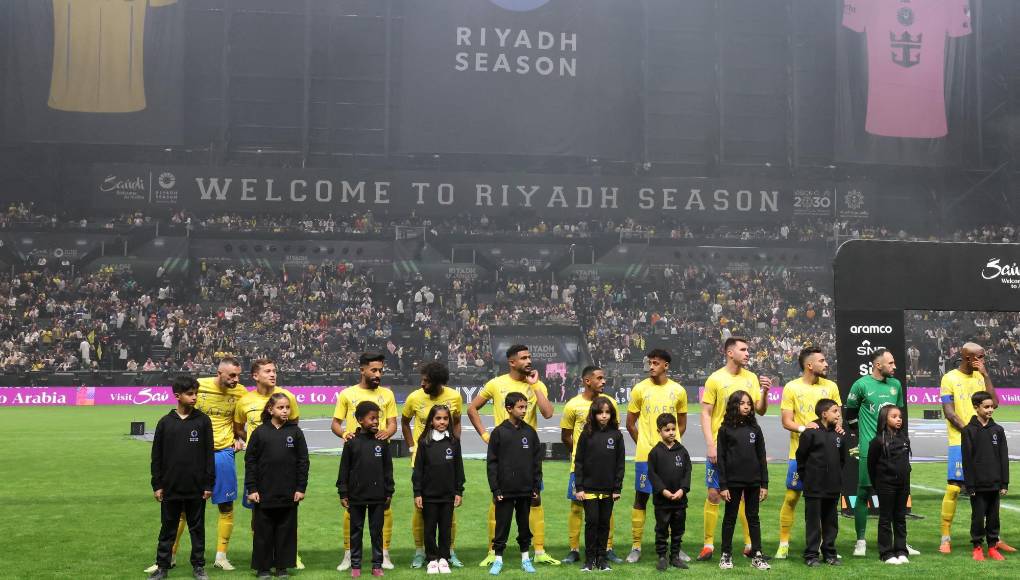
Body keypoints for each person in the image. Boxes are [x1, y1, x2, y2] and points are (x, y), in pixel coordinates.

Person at [467, 345, 557, 567]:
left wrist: (535, 386)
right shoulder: (496, 384)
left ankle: (539, 551)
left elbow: (548, 413)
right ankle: (492, 551)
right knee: (497, 499)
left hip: (528, 452)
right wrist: (486, 436)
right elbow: (472, 409)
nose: (529, 361)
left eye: (530, 357)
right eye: (524, 358)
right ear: (512, 362)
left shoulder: (537, 384)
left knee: (535, 498)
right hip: (504, 450)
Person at [699, 337, 771, 561]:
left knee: (744, 496)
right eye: (743, 349)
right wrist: (711, 444)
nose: (748, 353)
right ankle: (709, 545)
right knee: (714, 494)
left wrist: (765, 392)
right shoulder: (715, 379)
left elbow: (760, 411)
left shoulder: (750, 378)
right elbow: (706, 413)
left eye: (748, 349)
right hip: (722, 445)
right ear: (730, 353)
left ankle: (750, 545)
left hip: (744, 448)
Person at [938, 343, 1012, 554]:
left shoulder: (981, 377)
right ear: (967, 357)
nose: (983, 360)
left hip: (984, 440)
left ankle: (994, 539)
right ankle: (945, 537)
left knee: (990, 489)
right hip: (959, 439)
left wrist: (986, 375)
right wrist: (972, 432)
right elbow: (950, 413)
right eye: (980, 357)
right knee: (953, 487)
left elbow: (995, 403)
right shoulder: (949, 378)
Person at [333, 353, 399, 571]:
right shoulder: (347, 394)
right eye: (374, 370)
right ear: (362, 369)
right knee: (352, 512)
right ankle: (348, 555)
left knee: (382, 512)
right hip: (356, 453)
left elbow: (392, 424)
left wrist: (385, 433)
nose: (378, 374)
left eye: (381, 370)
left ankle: (384, 555)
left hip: (378, 454)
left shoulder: (387, 394)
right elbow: (336, 423)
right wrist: (345, 434)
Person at [775, 347, 842, 559]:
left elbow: (837, 416)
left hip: (826, 455)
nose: (826, 364)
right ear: (809, 365)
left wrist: (838, 428)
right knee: (793, 496)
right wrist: (808, 429)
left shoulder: (831, 386)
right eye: (822, 361)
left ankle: (824, 546)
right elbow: (787, 421)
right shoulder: (791, 387)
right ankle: (784, 542)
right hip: (800, 453)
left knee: (825, 502)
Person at [624, 349, 688, 563]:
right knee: (641, 498)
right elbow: (630, 423)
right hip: (645, 455)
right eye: (650, 363)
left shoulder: (678, 391)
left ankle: (675, 549)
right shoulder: (640, 389)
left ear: (666, 366)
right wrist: (646, 446)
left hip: (671, 457)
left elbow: (681, 424)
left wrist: (670, 447)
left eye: (655, 363)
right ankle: (636, 546)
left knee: (673, 502)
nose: (651, 366)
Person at [148, 376, 214, 580]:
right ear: (177, 396)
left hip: (196, 487)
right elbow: (156, 456)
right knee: (168, 528)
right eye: (190, 394)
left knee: (197, 529)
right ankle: (162, 566)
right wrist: (157, 484)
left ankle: (199, 566)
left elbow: (208, 455)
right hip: (171, 487)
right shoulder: (165, 423)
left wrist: (208, 483)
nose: (194, 397)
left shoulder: (203, 421)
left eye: (196, 393)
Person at [845, 349, 909, 558]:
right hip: (870, 449)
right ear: (878, 365)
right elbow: (851, 415)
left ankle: (901, 544)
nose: (894, 367)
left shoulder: (896, 385)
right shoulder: (861, 385)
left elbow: (896, 416)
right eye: (891, 363)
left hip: (894, 450)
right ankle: (861, 541)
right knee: (863, 493)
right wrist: (863, 437)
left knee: (899, 496)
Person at [401, 362, 464, 569]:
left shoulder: (454, 397)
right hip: (423, 459)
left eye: (426, 381)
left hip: (445, 458)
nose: (422, 383)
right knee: (421, 510)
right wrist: (412, 447)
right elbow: (404, 421)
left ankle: (449, 552)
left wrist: (453, 446)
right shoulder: (414, 397)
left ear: (438, 382)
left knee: (448, 511)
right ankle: (421, 552)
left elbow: (456, 421)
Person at [560, 365, 622, 565]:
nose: (604, 381)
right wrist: (583, 456)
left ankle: (607, 548)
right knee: (577, 508)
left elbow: (613, 433)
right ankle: (574, 549)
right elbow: (566, 436)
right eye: (600, 378)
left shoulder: (610, 403)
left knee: (606, 509)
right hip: (580, 469)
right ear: (587, 381)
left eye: (604, 378)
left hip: (604, 471)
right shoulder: (572, 405)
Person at [245, 394, 309, 579]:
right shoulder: (260, 433)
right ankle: (263, 568)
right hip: (264, 492)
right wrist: (252, 488)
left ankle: (282, 567)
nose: (285, 411)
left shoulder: (295, 432)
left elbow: (303, 462)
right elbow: (251, 461)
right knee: (263, 532)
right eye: (280, 407)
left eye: (287, 407)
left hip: (289, 492)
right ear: (270, 410)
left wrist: (300, 488)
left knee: (286, 531)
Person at [195, 358, 248, 572]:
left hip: (224, 452)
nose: (236, 380)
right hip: (196, 454)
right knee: (183, 506)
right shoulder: (199, 386)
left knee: (226, 505)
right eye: (231, 375)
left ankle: (221, 556)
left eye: (238, 375)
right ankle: (167, 557)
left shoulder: (241, 392)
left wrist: (239, 437)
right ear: (219, 372)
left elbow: (242, 422)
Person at [486, 392, 543, 575]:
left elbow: (537, 462)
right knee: (502, 526)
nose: (524, 410)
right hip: (505, 491)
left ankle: (526, 559)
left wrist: (535, 487)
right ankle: (498, 560)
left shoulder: (530, 432)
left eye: (525, 407)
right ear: (509, 408)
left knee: (524, 526)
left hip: (526, 490)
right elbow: (492, 463)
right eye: (520, 407)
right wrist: (495, 489)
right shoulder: (498, 433)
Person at [337, 401, 395, 578]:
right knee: (356, 531)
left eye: (377, 418)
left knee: (376, 532)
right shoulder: (351, 442)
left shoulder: (382, 442)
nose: (376, 422)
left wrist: (389, 491)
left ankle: (377, 565)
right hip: (356, 496)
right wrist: (343, 492)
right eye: (372, 418)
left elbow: (388, 469)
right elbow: (344, 469)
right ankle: (355, 565)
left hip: (378, 496)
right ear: (360, 420)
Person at [716, 391, 770, 571]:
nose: (746, 406)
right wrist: (723, 485)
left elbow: (761, 456)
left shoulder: (755, 429)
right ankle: (726, 554)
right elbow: (721, 458)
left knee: (753, 518)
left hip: (754, 481)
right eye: (742, 403)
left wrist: (764, 484)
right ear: (734, 405)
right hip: (732, 482)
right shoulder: (725, 429)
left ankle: (757, 555)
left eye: (748, 403)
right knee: (729, 518)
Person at [572, 396, 626, 572]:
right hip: (588, 489)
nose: (604, 416)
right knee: (592, 522)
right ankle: (589, 560)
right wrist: (579, 487)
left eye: (607, 412)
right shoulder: (586, 434)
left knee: (604, 524)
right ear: (594, 414)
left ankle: (602, 559)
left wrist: (617, 488)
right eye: (600, 412)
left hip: (609, 490)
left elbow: (620, 464)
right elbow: (578, 461)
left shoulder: (616, 435)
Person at [411, 405, 465, 575]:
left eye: (445, 419)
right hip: (429, 495)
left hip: (448, 495)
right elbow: (418, 470)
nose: (442, 422)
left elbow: (459, 469)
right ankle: (432, 559)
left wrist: (458, 491)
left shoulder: (454, 442)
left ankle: (443, 558)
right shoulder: (424, 442)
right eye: (438, 418)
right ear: (431, 421)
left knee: (445, 528)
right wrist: (418, 492)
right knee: (429, 529)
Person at [796, 399, 846, 567]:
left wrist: (836, 476)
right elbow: (801, 457)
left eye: (838, 411)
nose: (838, 414)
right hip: (814, 485)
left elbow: (842, 460)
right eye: (835, 411)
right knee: (813, 522)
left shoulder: (839, 434)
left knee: (831, 522)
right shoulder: (810, 432)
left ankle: (830, 554)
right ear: (824, 414)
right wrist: (807, 478)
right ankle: (811, 555)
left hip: (832, 485)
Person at [962, 391, 1009, 562]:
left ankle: (992, 546)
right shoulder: (968, 431)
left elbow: (1004, 458)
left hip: (995, 484)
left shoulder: (998, 430)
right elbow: (967, 460)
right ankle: (977, 546)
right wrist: (970, 485)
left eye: (992, 407)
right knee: (977, 517)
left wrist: (1004, 483)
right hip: (978, 485)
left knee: (994, 518)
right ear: (976, 407)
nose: (990, 410)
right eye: (986, 407)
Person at [647, 413, 691, 572]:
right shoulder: (655, 453)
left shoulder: (682, 451)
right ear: (660, 431)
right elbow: (653, 475)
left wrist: (682, 490)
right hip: (662, 501)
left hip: (679, 500)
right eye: (667, 430)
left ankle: (675, 556)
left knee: (678, 530)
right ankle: (661, 557)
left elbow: (687, 472)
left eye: (673, 429)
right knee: (661, 529)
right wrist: (663, 491)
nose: (671, 432)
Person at [867, 404, 911, 565]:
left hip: (903, 485)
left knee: (900, 517)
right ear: (884, 419)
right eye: (894, 416)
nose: (898, 419)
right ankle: (886, 552)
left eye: (900, 416)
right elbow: (871, 466)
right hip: (886, 485)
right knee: (886, 518)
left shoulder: (904, 438)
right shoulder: (877, 441)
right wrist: (878, 484)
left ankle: (901, 550)